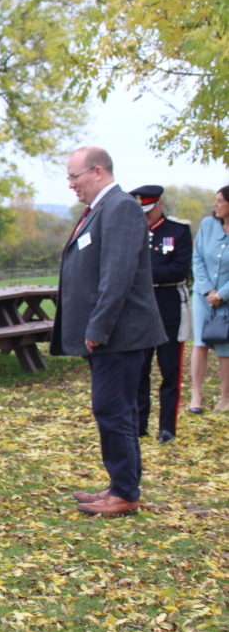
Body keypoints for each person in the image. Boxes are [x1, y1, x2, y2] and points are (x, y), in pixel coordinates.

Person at [51, 147, 166, 516]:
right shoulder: (101, 209)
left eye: (75, 176)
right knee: (117, 411)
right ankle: (120, 486)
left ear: (97, 171)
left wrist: (98, 326)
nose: (71, 185)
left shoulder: (120, 208)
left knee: (113, 410)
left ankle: (125, 494)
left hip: (120, 334)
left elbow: (117, 275)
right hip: (111, 335)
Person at [128, 185, 192, 443]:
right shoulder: (132, 231)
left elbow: (179, 270)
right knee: (139, 370)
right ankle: (139, 425)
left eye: (148, 210)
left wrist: (143, 275)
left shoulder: (178, 231)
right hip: (140, 308)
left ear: (160, 205)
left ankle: (167, 427)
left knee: (170, 370)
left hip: (168, 307)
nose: (144, 217)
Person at [188, 185, 229, 413]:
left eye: (220, 201)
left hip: (227, 298)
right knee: (200, 343)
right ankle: (196, 396)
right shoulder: (207, 225)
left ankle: (226, 397)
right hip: (203, 296)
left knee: (225, 346)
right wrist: (208, 292)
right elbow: (198, 259)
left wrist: (222, 294)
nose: (216, 205)